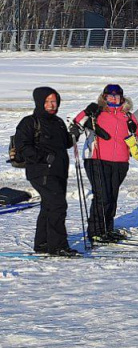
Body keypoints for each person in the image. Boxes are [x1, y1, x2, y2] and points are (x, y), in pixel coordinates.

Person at [73, 83, 138, 242]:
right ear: (104, 97)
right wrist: (86, 111)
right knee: (102, 196)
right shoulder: (97, 113)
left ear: (121, 98)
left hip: (120, 161)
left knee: (112, 196)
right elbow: (76, 123)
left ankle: (107, 228)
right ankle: (96, 231)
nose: (113, 98)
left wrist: (133, 130)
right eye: (110, 96)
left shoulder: (128, 116)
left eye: (116, 96)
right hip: (97, 159)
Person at [14, 87, 76, 256]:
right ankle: (58, 246)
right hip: (40, 171)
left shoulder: (58, 122)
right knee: (58, 205)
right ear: (40, 102)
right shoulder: (29, 122)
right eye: (47, 101)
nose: (51, 105)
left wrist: (74, 134)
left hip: (59, 171)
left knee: (49, 206)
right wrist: (43, 157)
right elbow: (22, 146)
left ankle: (42, 243)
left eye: (54, 101)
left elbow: (66, 143)